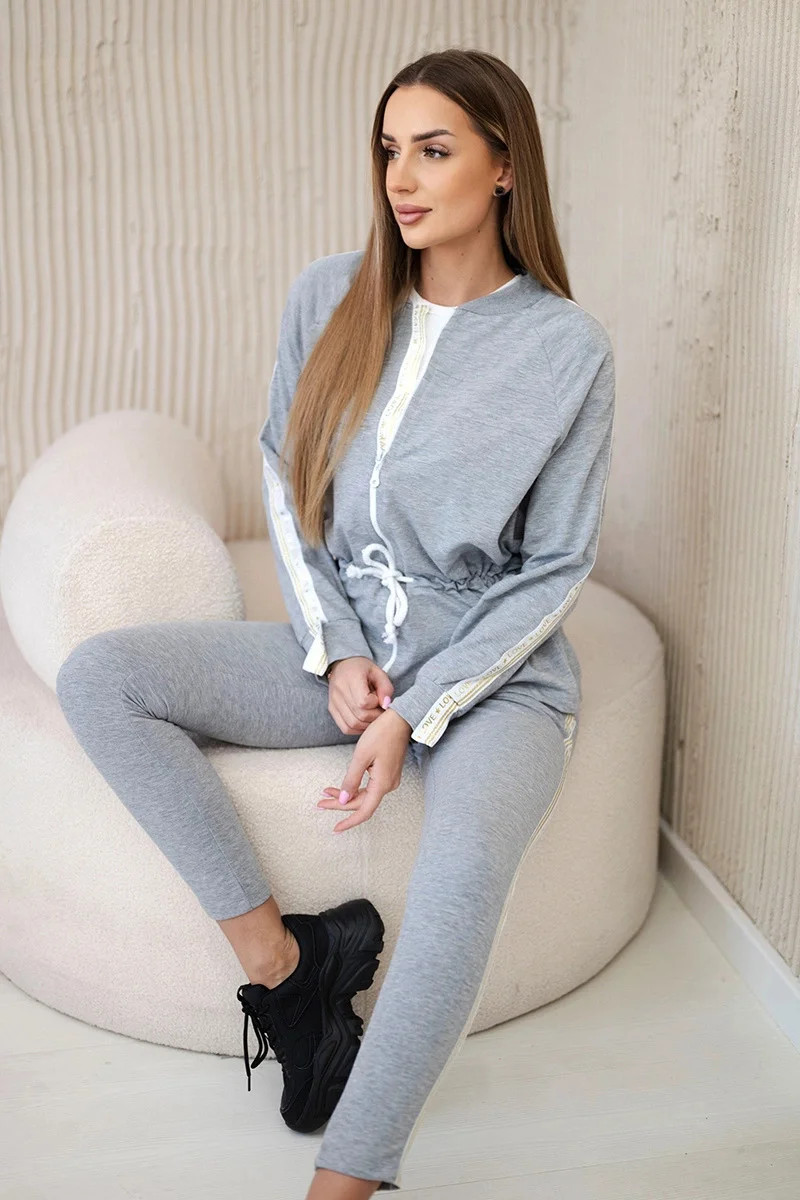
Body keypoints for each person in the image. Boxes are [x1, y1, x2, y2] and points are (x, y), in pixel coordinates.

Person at [55, 47, 615, 1199]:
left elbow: (554, 566)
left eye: (433, 150)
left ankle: (345, 1182)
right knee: (103, 678)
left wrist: (416, 710)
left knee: (459, 885)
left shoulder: (565, 350)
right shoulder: (330, 296)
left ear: (503, 165)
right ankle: (287, 964)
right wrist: (341, 649)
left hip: (494, 680)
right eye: (388, 149)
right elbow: (284, 474)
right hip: (346, 651)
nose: (399, 178)